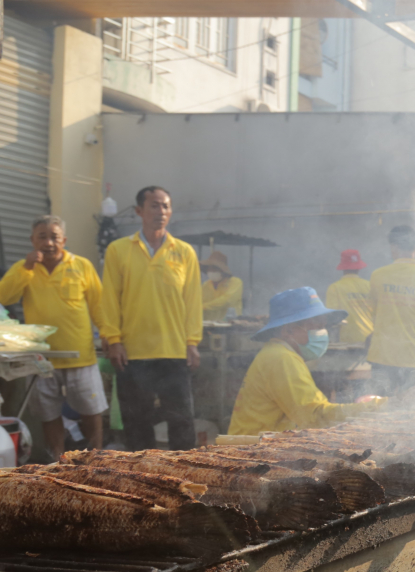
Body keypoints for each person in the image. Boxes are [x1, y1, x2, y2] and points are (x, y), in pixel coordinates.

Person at [228, 286, 415, 434]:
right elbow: (316, 417)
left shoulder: (278, 353)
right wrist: (398, 402)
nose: (322, 332)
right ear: (288, 330)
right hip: (250, 452)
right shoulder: (281, 358)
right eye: (317, 325)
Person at [101, 186, 203, 451]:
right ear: (139, 211)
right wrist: (113, 339)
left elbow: (193, 301)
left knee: (181, 423)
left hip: (174, 352)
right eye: (154, 206)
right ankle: (141, 481)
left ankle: (184, 478)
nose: (161, 212)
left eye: (166, 206)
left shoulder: (184, 252)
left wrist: (192, 342)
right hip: (133, 353)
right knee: (137, 425)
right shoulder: (118, 250)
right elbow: (109, 299)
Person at [0, 216, 107, 459]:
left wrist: (110, 336)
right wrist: (26, 269)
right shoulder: (23, 268)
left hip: (80, 355)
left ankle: (96, 462)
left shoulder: (81, 266)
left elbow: (100, 306)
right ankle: (58, 463)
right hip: (42, 358)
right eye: (42, 237)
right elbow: (4, 297)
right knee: (48, 414)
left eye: (54, 237)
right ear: (32, 240)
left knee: (91, 411)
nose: (48, 243)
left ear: (64, 240)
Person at [367, 226, 415, 395]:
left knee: (379, 406)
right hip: (414, 359)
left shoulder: (378, 276)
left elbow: (374, 312)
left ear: (393, 248)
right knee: (412, 411)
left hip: (382, 357)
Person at [325, 249, 373, 344]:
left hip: (347, 342)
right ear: (359, 267)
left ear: (343, 267)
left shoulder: (335, 288)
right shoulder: (370, 286)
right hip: (370, 340)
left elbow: (331, 317)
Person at [200, 251, 243, 321]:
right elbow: (197, 301)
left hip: (231, 324)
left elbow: (226, 301)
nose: (211, 271)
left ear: (223, 270)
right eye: (209, 268)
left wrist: (203, 306)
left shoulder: (235, 282)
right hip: (208, 324)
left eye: (214, 268)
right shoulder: (205, 285)